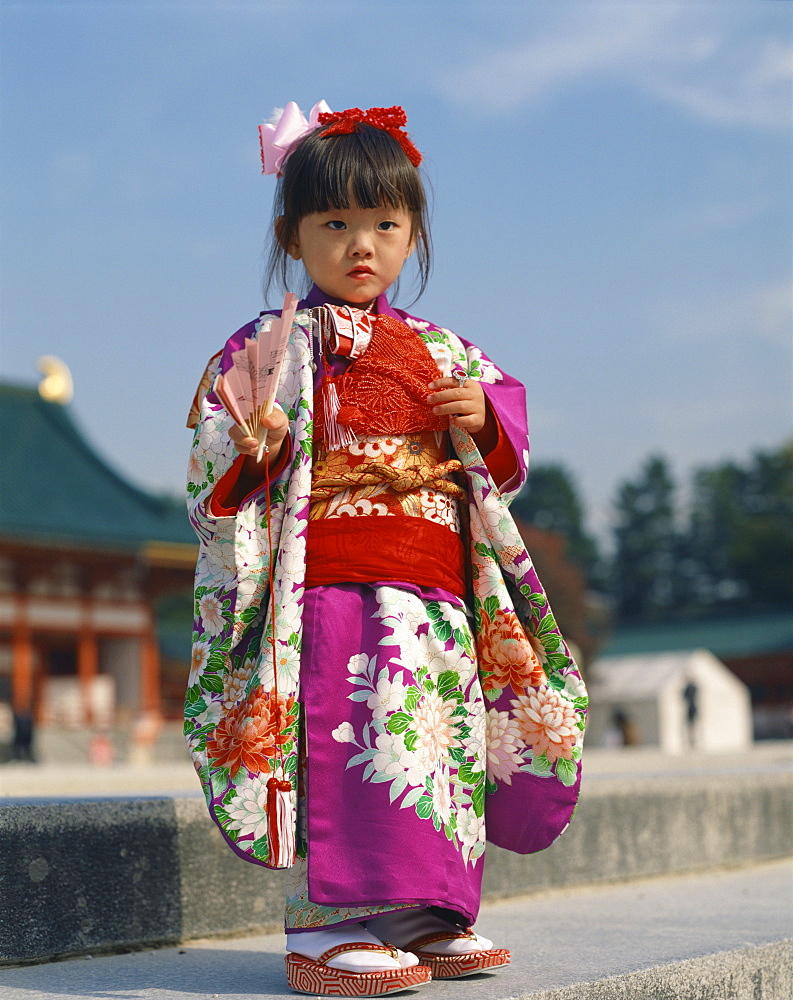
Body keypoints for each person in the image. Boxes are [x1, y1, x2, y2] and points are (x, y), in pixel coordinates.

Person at [185, 102, 587, 997]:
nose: (360, 243)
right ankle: (324, 924)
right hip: (326, 583)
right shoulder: (270, 345)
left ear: (411, 237)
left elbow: (504, 443)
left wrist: (485, 420)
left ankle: (420, 909)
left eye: (384, 224)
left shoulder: (445, 350)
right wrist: (256, 444)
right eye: (334, 223)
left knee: (429, 746)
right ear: (292, 235)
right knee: (339, 737)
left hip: (433, 587)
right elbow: (224, 442)